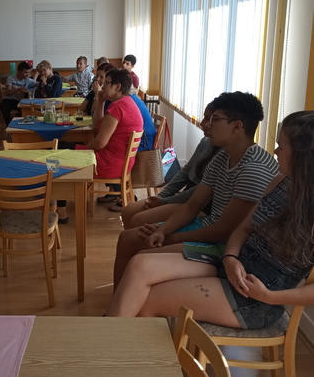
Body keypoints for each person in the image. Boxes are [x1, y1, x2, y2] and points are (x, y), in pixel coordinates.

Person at [107, 110, 314, 330]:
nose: (275, 151)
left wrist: (269, 297)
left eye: (281, 146)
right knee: (139, 265)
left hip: (255, 298)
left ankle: (111, 341)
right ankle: (108, 336)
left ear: (303, 155)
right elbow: (244, 229)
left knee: (145, 302)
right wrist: (231, 257)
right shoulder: (280, 182)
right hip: (231, 265)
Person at [113, 91, 280, 289]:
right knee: (127, 239)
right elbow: (192, 206)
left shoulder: (254, 169)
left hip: (228, 247)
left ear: (237, 126)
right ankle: (119, 301)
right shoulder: (223, 156)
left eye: (215, 119)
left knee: (142, 256)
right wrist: (162, 230)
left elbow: (224, 231)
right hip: (209, 226)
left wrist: (169, 237)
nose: (207, 124)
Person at [56, 69, 143, 223]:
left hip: (109, 163)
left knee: (60, 149)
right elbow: (97, 125)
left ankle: (61, 210)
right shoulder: (127, 103)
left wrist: (83, 151)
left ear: (117, 86)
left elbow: (100, 142)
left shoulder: (118, 107)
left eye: (107, 83)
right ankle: (60, 203)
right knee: (67, 146)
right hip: (122, 162)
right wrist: (100, 101)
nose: (102, 86)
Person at [118, 104, 219, 225]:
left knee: (138, 220)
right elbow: (185, 171)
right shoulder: (205, 141)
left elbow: (199, 193)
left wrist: (165, 201)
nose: (202, 123)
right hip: (186, 195)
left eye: (208, 119)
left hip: (199, 204)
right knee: (127, 212)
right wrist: (162, 195)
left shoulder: (224, 154)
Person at [0, 61, 38, 125]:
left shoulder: (28, 80)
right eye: (25, 73)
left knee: (25, 110)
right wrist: (19, 89)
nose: (27, 75)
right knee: (3, 106)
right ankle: (10, 126)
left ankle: (21, 126)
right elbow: (8, 92)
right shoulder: (11, 78)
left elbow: (39, 84)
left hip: (19, 101)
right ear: (19, 71)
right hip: (8, 100)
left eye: (28, 72)